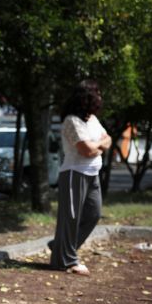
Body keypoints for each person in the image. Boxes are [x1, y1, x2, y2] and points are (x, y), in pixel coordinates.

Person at [49, 79, 111, 276]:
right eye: (97, 94)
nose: (100, 98)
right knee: (71, 218)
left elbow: (108, 140)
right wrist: (99, 145)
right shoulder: (71, 121)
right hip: (74, 173)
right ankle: (67, 260)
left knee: (94, 213)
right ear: (86, 97)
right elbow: (86, 150)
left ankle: (60, 247)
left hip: (92, 173)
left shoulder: (92, 119)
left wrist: (97, 145)